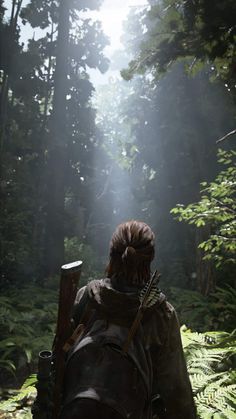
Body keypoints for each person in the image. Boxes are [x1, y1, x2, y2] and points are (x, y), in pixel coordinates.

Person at [60, 220, 196, 419]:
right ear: (150, 259)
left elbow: (60, 363)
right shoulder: (161, 315)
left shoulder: (86, 298)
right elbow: (177, 393)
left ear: (112, 254)